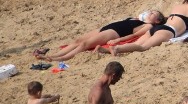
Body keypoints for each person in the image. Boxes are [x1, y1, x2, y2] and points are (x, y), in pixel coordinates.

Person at [101, 0, 188, 55]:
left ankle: (106, 50)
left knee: (136, 44)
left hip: (158, 28)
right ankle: (116, 49)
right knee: (142, 47)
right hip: (168, 31)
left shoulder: (177, 7)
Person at [37, 11, 166, 62]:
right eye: (151, 11)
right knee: (78, 40)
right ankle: (55, 54)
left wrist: (118, 40)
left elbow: (134, 35)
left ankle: (60, 58)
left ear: (157, 21)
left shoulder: (148, 25)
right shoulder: (138, 18)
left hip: (114, 32)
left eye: (154, 13)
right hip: (107, 27)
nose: (151, 12)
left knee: (84, 45)